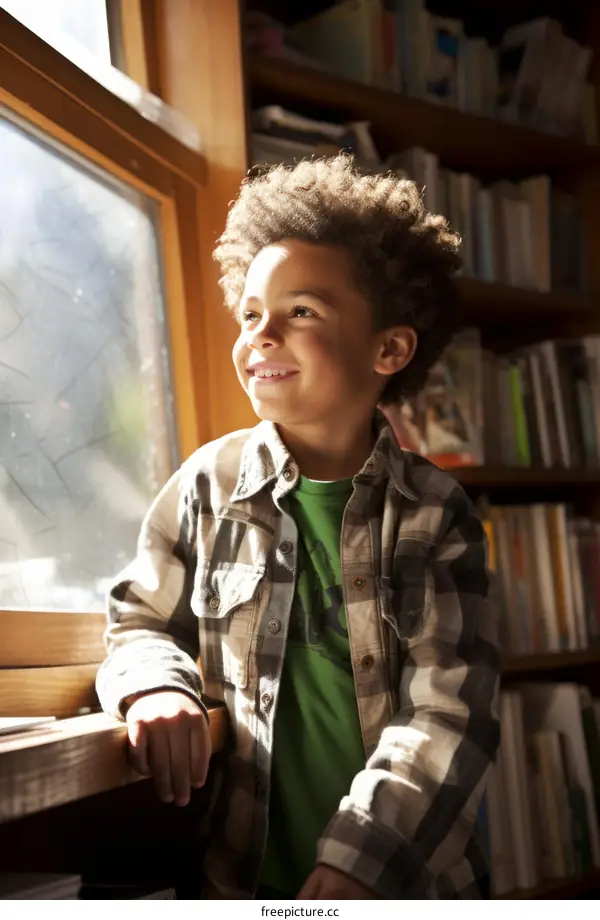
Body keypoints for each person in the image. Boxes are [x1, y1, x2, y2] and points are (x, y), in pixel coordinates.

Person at [96, 154, 500, 900]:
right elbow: (137, 622)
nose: (260, 336)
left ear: (389, 349)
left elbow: (451, 714)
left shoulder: (437, 515)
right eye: (250, 314)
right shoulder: (205, 487)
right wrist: (154, 688)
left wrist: (360, 859)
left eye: (301, 312)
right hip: (238, 879)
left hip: (400, 883)